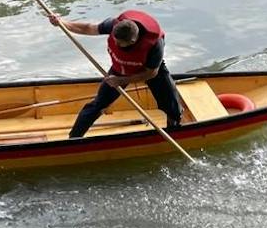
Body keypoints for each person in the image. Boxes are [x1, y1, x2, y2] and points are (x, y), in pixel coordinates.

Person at [48, 8, 182, 138]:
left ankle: (174, 131)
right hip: (121, 69)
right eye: (114, 40)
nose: (115, 44)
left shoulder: (155, 44)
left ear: (132, 41)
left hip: (147, 70)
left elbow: (151, 73)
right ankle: (74, 139)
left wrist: (121, 81)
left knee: (173, 108)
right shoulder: (114, 25)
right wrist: (62, 23)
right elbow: (89, 28)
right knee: (97, 105)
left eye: (119, 43)